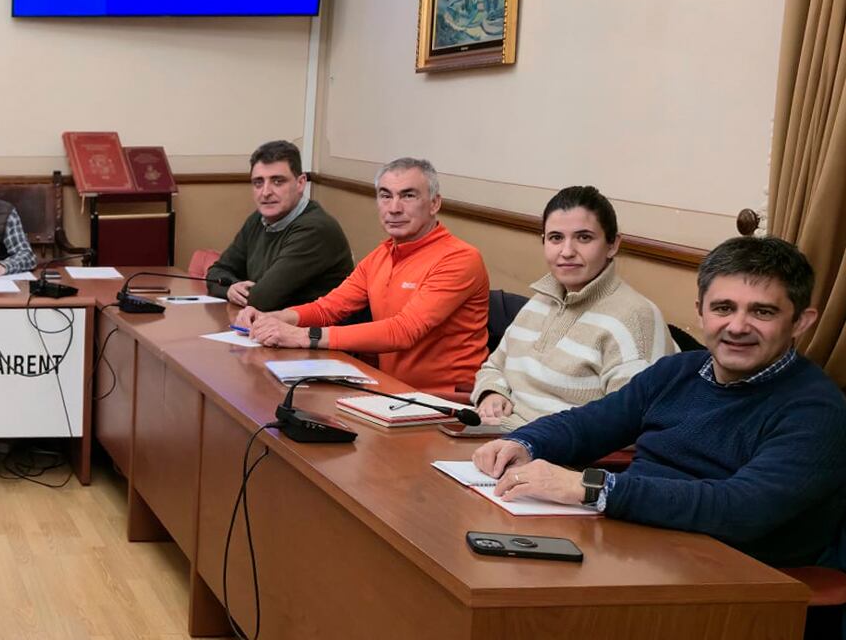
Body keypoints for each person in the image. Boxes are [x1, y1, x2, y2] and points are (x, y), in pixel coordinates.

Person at [472, 235, 846, 567]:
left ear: (801, 321)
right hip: (632, 544)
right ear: (700, 311)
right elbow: (591, 422)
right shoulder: (678, 371)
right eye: (723, 308)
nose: (737, 326)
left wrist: (593, 488)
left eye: (762, 312)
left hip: (732, 579)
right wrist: (523, 442)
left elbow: (742, 508)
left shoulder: (816, 410)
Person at [241, 157, 489, 398]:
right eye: (385, 196)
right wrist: (274, 318)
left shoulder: (459, 258)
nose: (394, 208)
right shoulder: (381, 254)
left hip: (443, 401)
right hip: (389, 391)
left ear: (434, 204)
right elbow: (329, 308)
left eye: (408, 196)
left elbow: (403, 331)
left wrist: (304, 336)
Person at [471, 185, 673, 427]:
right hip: (496, 434)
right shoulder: (541, 301)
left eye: (584, 237)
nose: (567, 252)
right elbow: (493, 366)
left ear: (613, 245)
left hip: (547, 447)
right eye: (556, 238)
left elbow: (629, 426)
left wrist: (525, 441)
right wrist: (492, 392)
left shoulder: (635, 318)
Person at [205, 140, 353, 309]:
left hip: (313, 325)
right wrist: (231, 288)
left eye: (277, 181)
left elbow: (262, 299)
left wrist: (238, 291)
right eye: (258, 182)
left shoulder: (316, 229)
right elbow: (216, 272)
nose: (266, 192)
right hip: (268, 321)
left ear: (300, 183)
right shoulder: (258, 219)